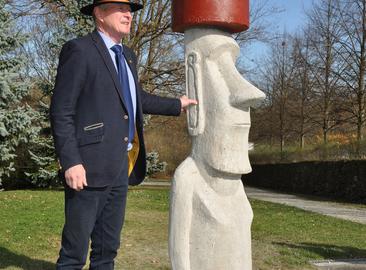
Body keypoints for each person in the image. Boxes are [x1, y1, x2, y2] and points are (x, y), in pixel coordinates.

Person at [50, 0, 196, 269]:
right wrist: (71, 161)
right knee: (74, 252)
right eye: (121, 8)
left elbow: (134, 98)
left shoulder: (127, 55)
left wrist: (177, 104)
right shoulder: (79, 50)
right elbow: (62, 110)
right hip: (87, 166)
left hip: (121, 165)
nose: (128, 14)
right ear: (99, 13)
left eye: (130, 10)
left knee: (108, 250)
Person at [168, 28, 265, 270]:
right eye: (221, 69)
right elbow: (179, 251)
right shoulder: (188, 178)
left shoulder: (237, 186)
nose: (249, 96)